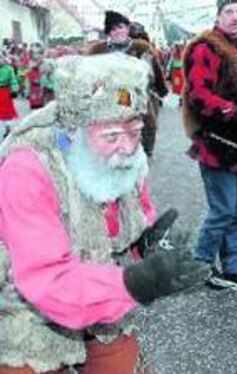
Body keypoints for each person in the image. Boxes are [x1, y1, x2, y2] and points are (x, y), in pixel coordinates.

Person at [0, 53, 209, 373]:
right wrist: (137, 283)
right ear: (73, 132)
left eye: (135, 130)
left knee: (122, 362)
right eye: (111, 135)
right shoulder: (27, 167)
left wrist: (147, 243)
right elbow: (45, 279)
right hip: (23, 303)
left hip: (96, 286)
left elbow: (134, 215)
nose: (127, 146)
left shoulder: (127, 154)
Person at [182, 0, 237, 288]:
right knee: (223, 211)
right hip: (217, 141)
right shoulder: (207, 48)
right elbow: (198, 95)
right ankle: (202, 265)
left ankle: (233, 266)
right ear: (218, 16)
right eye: (229, 12)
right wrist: (235, 112)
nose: (235, 17)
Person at [87, 10, 168, 159]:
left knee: (148, 124)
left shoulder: (141, 47)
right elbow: (86, 74)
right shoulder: (98, 50)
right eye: (113, 29)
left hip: (138, 96)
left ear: (127, 28)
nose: (117, 32)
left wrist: (162, 90)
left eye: (120, 27)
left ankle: (144, 154)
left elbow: (155, 69)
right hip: (108, 97)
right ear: (108, 32)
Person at [0, 52, 18, 139]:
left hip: (5, 92)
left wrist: (14, 90)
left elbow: (13, 81)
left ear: (3, 59)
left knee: (6, 113)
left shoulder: (9, 69)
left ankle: (7, 129)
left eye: (0, 58)